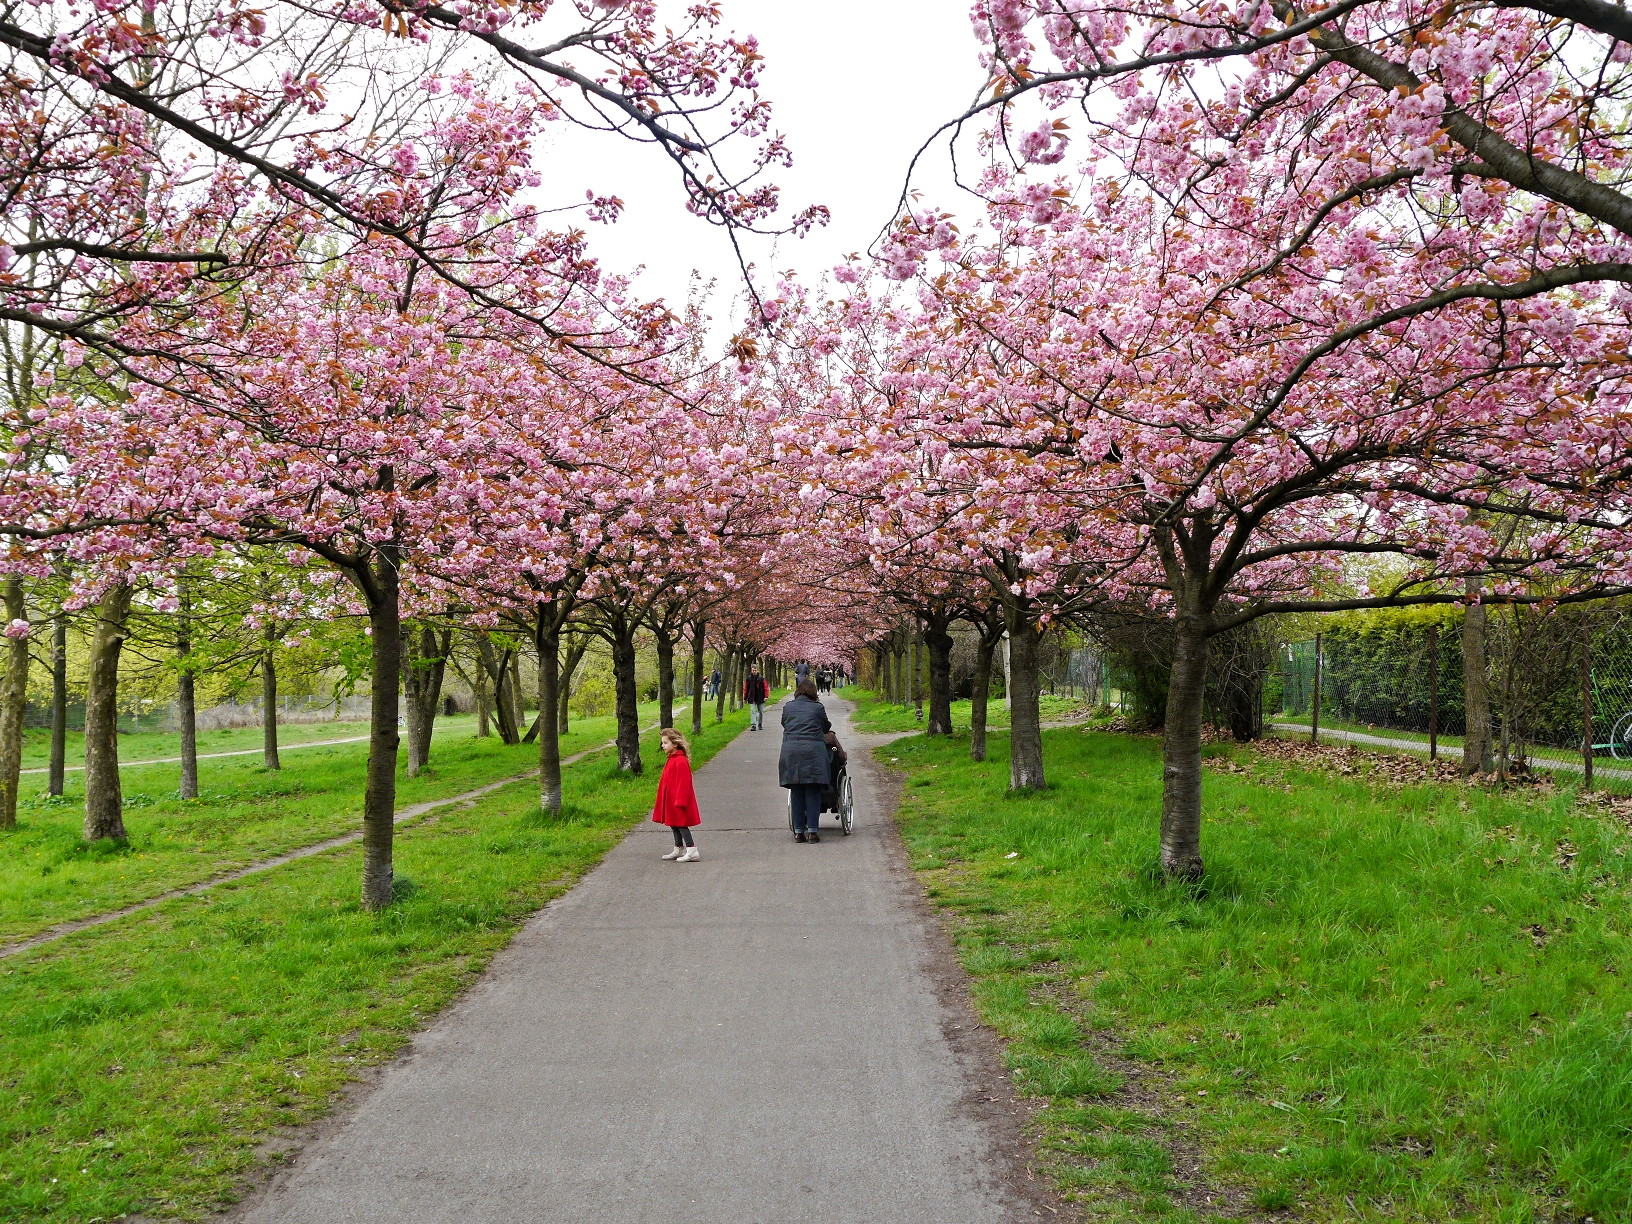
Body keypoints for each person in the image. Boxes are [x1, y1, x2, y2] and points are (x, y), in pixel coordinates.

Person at [780, 678, 832, 844]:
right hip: (813, 752)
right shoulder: (818, 708)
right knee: (812, 789)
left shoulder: (788, 707)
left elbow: (784, 724)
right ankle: (813, 831)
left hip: (791, 752)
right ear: (813, 692)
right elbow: (826, 727)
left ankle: (798, 832)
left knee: (796, 790)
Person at [653, 728, 702, 862]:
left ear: (675, 744)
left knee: (681, 824)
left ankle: (692, 850)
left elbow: (684, 782)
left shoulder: (680, 760)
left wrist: (680, 800)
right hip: (670, 798)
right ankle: (678, 848)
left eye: (665, 743)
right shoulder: (671, 759)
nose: (663, 745)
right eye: (662, 743)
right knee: (673, 823)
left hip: (678, 800)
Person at [743, 664, 770, 731]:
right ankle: (753, 725)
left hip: (760, 697)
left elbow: (766, 688)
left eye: (755, 670)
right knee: (753, 711)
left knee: (761, 711)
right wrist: (745, 698)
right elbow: (746, 689)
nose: (754, 671)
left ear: (757, 670)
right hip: (752, 698)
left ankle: (760, 724)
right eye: (753, 670)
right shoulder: (749, 679)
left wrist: (766, 696)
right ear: (751, 670)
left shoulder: (761, 679)